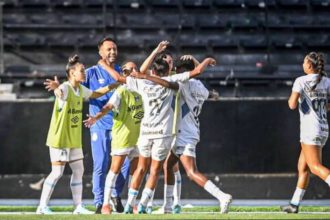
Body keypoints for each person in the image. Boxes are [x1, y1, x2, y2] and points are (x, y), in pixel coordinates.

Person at [121, 52, 217, 214]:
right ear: (167, 72)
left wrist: (144, 73)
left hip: (145, 132)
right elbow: (196, 72)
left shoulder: (142, 83)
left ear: (153, 70)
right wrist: (206, 59)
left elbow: (123, 78)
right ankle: (144, 205)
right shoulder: (173, 82)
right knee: (155, 170)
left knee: (141, 169)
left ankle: (130, 205)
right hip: (162, 134)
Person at [37, 55, 119, 214]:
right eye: (81, 71)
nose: (84, 73)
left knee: (79, 170)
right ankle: (42, 206)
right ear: (72, 73)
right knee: (57, 173)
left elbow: (95, 94)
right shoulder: (66, 88)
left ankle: (78, 206)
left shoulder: (80, 89)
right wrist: (55, 87)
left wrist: (112, 85)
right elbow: (59, 93)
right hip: (60, 138)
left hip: (73, 138)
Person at [159, 57, 232, 214]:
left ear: (183, 72)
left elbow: (191, 72)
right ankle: (167, 207)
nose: (176, 72)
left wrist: (205, 61)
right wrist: (192, 59)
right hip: (190, 130)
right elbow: (210, 92)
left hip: (184, 133)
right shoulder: (199, 86)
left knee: (192, 172)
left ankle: (222, 196)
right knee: (168, 165)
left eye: (178, 71)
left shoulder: (183, 84)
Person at [83, 62, 143, 214]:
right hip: (122, 136)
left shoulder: (143, 88)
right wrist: (96, 117)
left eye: (135, 68)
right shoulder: (121, 90)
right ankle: (104, 204)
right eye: (130, 69)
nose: (134, 71)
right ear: (124, 74)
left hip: (138, 136)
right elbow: (108, 106)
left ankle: (131, 203)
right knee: (113, 169)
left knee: (136, 170)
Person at [82, 37, 130, 213]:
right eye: (108, 49)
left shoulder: (120, 71)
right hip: (99, 125)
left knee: (125, 166)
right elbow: (76, 88)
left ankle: (116, 195)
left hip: (119, 126)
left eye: (115, 49)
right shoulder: (91, 72)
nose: (112, 52)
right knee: (101, 164)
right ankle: (99, 202)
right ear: (100, 52)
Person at [281, 52, 330, 213]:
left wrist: (297, 99)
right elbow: (328, 106)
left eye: (304, 62)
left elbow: (292, 105)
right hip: (323, 128)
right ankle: (294, 204)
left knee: (315, 167)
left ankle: (294, 205)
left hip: (310, 129)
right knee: (303, 168)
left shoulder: (300, 81)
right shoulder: (327, 81)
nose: (302, 64)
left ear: (310, 65)